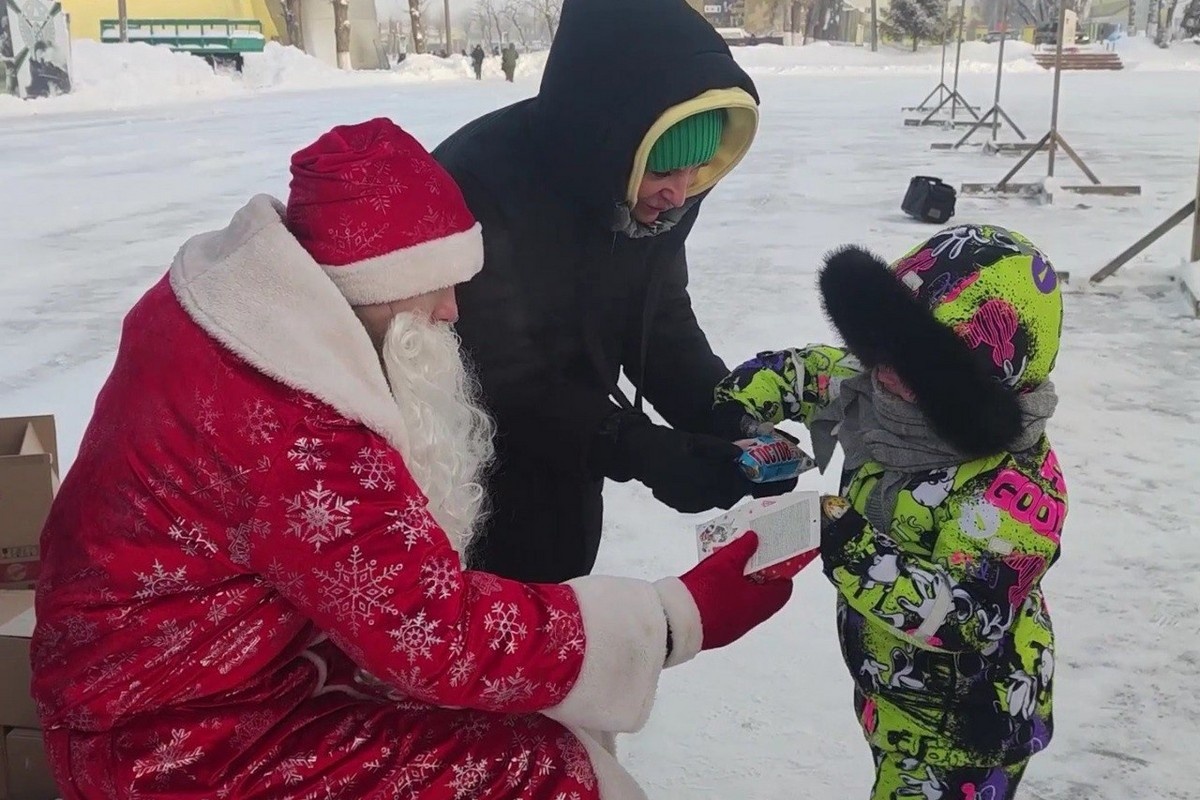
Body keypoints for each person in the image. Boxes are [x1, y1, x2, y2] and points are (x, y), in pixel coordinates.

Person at [29, 118, 798, 800]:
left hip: (176, 677)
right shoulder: (295, 428)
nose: (452, 313)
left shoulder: (230, 317)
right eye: (434, 287)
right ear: (373, 280)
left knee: (517, 697)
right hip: (177, 744)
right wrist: (676, 617)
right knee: (549, 768)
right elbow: (436, 634)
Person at [434, 0, 790, 585]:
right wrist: (637, 447)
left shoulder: (653, 198)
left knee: (561, 571)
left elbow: (659, 317)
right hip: (457, 462)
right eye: (660, 170)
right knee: (482, 617)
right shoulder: (478, 186)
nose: (678, 193)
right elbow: (500, 375)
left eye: (695, 170)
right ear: (606, 143)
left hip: (569, 449)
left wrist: (724, 415)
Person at [716, 225, 1067, 799]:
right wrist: (739, 415)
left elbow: (969, 615)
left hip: (967, 732)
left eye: (914, 364)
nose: (883, 371)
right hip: (895, 696)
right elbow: (803, 372)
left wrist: (846, 542)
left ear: (966, 386)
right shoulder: (882, 391)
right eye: (881, 345)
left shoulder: (1014, 488)